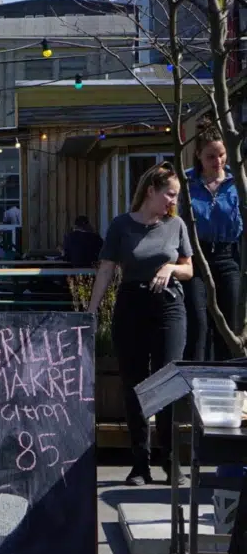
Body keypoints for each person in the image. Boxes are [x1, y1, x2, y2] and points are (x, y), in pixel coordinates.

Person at [88, 162, 193, 485]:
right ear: (151, 190)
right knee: (133, 383)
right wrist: (91, 311)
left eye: (175, 195)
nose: (172, 201)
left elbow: (189, 269)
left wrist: (170, 269)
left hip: (168, 307)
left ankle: (171, 459)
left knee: (166, 380)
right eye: (169, 194)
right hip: (132, 303)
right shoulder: (122, 225)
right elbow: (107, 268)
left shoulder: (175, 225)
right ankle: (140, 463)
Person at [183, 125, 242, 362]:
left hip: (228, 256)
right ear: (198, 154)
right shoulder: (187, 182)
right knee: (198, 323)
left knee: (228, 325)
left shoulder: (237, 182)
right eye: (210, 156)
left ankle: (229, 384)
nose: (217, 161)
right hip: (196, 256)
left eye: (221, 155)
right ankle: (195, 381)